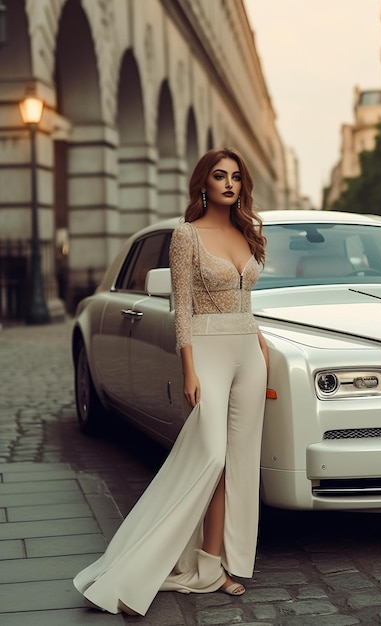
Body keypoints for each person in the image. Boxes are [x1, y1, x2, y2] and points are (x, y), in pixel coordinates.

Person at [73, 147, 269, 616]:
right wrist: (189, 368)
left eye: (236, 178)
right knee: (210, 455)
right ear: (203, 182)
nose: (228, 184)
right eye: (220, 176)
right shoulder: (186, 235)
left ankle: (215, 564)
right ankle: (146, 560)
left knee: (238, 462)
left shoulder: (250, 231)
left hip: (248, 351)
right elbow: (183, 306)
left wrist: (258, 340)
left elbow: (245, 300)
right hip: (207, 351)